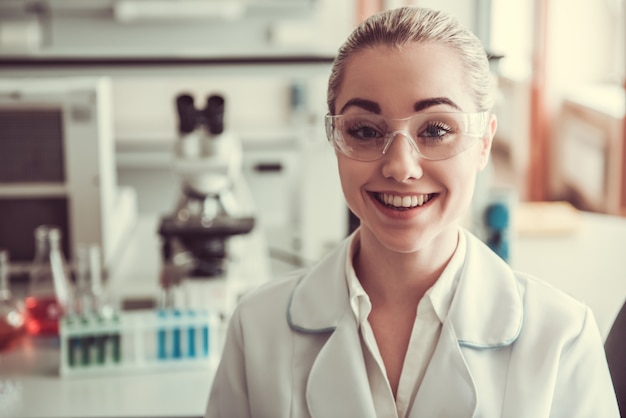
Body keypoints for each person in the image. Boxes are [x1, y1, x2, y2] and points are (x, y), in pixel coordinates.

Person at [205, 6, 619, 417]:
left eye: (436, 130)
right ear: (335, 140)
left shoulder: (561, 337)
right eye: (365, 131)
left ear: (484, 143)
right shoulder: (256, 330)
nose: (400, 167)